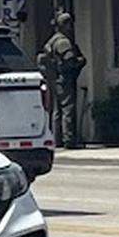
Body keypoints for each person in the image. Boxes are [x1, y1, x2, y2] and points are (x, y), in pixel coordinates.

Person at [37, 11, 86, 151]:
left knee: (57, 111)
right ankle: (69, 139)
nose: (71, 27)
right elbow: (70, 60)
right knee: (68, 109)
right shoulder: (63, 42)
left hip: (54, 80)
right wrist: (81, 61)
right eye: (69, 23)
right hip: (64, 79)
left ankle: (56, 139)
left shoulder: (52, 41)